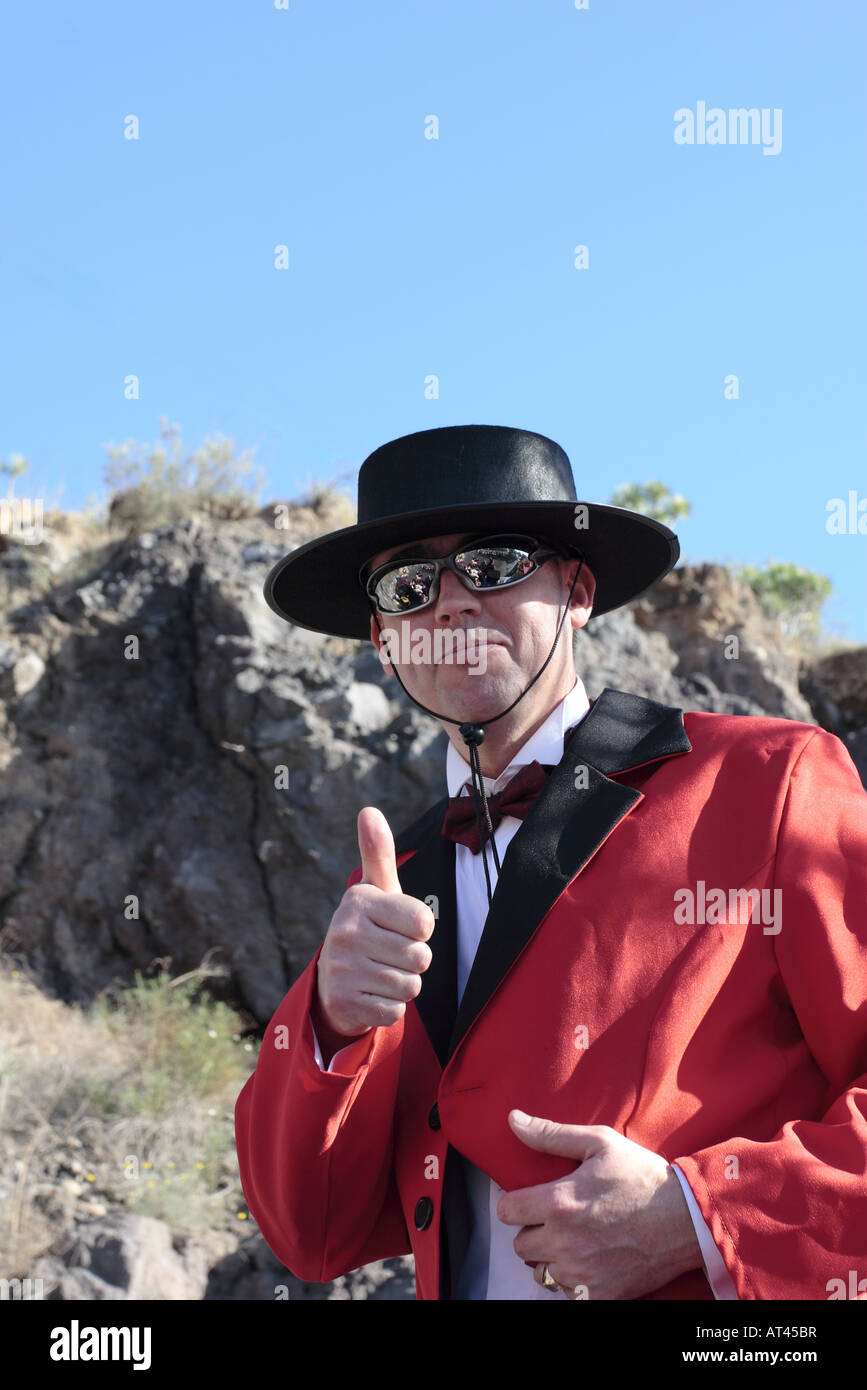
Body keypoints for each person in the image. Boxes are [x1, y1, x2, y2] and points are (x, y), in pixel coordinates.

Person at [234, 424, 867, 1301]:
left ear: (576, 590)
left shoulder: (769, 780)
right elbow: (310, 1234)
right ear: (383, 638)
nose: (450, 605)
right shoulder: (390, 883)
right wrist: (329, 1024)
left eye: (493, 564)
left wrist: (698, 1214)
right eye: (409, 584)